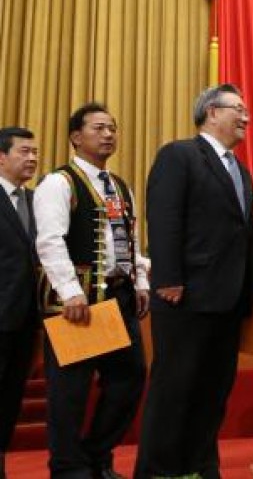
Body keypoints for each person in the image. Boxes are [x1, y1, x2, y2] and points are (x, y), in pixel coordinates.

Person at [135, 84, 253, 478]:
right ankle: (157, 471)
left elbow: (246, 235)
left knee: (213, 393)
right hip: (185, 297)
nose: (245, 117)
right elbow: (164, 218)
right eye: (237, 109)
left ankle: (201, 467)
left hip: (230, 301)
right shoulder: (180, 155)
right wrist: (169, 278)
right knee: (174, 390)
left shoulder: (240, 169)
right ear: (211, 111)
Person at [34, 103, 149, 479]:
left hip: (119, 297)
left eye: (112, 128)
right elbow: (50, 241)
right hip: (77, 301)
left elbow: (130, 242)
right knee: (70, 390)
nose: (108, 134)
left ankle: (96, 453)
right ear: (75, 137)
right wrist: (69, 291)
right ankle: (67, 467)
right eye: (99, 128)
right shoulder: (58, 183)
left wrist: (141, 281)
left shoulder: (120, 186)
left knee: (130, 378)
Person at [0, 127, 39, 478]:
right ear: (1, 156)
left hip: (26, 320)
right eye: (24, 151)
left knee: (10, 400)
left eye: (35, 152)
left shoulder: (34, 199)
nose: (33, 158)